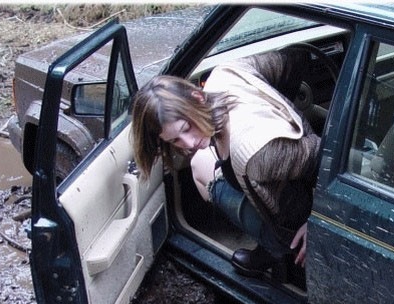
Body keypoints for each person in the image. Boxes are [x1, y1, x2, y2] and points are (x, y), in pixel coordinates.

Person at [130, 48, 321, 281]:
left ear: (198, 98)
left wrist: (320, 223)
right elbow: (293, 60)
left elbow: (324, 161)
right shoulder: (227, 74)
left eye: (186, 128)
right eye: (175, 140)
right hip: (274, 188)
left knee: (200, 171)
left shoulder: (257, 154)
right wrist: (281, 112)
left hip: (291, 227)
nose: (188, 144)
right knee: (200, 159)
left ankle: (275, 249)